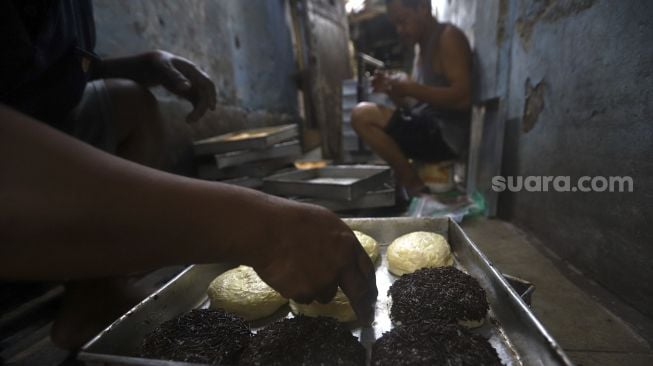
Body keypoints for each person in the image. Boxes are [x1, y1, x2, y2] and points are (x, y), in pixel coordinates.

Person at [0, 0, 377, 349]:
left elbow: (40, 72)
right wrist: (257, 228)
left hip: (49, 120)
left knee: (130, 100)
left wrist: (134, 65)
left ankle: (93, 295)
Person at [351, 0, 473, 196]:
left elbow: (464, 98)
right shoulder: (420, 50)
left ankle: (414, 185)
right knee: (370, 120)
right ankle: (409, 182)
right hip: (429, 129)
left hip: (445, 137)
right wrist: (395, 92)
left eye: (403, 21)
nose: (400, 30)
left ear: (423, 8)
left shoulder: (448, 37)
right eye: (396, 24)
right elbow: (417, 106)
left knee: (362, 114)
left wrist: (411, 88)